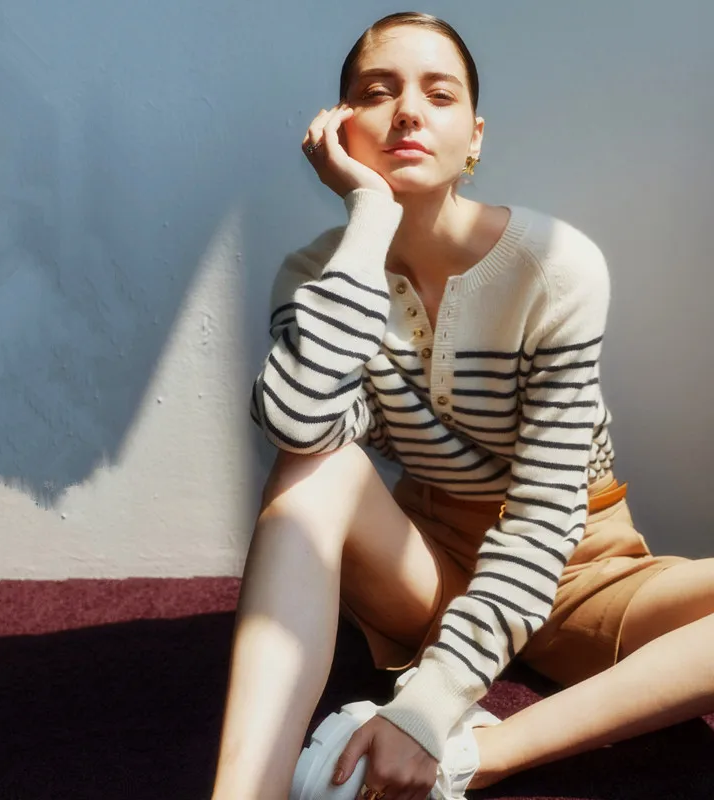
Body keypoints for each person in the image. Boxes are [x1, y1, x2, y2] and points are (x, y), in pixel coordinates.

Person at [210, 11, 714, 800]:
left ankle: (474, 757)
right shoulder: (319, 278)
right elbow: (298, 427)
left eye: (438, 94)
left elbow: (545, 518)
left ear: (473, 138)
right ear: (337, 128)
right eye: (378, 92)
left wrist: (426, 712)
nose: (408, 111)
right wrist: (369, 220)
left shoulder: (555, 265)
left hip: (582, 570)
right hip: (430, 565)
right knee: (314, 467)